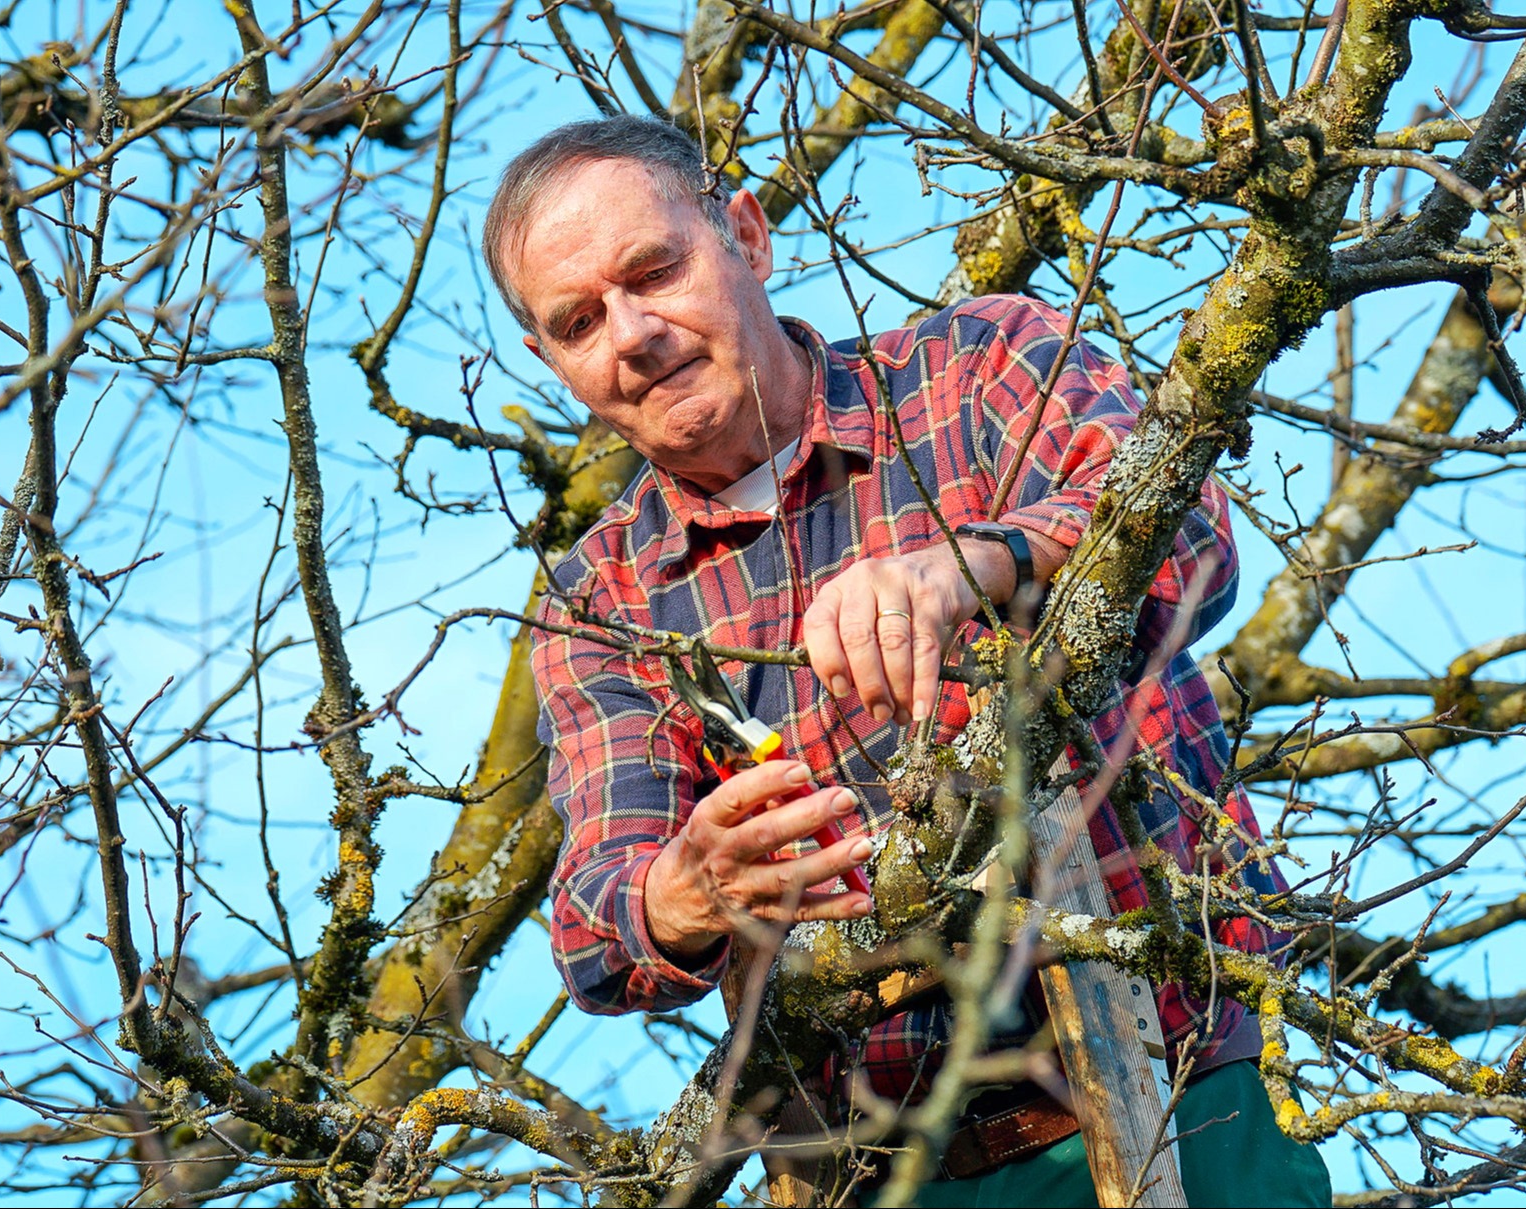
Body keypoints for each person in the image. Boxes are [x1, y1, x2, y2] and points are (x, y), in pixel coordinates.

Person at [486, 114, 1329, 1206]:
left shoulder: (975, 369)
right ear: (549, 361)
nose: (634, 333)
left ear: (744, 234)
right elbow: (597, 927)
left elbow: (1186, 532)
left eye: (655, 271)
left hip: (1181, 1101)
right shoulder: (602, 603)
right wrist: (680, 895)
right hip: (884, 1177)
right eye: (579, 320)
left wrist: (971, 565)